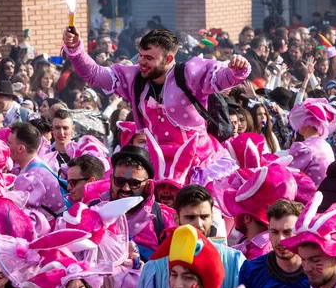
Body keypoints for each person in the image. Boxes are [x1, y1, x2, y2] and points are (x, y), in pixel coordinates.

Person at [63, 28, 250, 186]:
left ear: (168, 59)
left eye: (149, 58)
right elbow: (95, 75)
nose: (142, 62)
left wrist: (237, 69)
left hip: (198, 165)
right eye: (141, 56)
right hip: (155, 163)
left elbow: (222, 78)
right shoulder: (134, 78)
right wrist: (75, 50)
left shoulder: (190, 74)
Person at [136, 185, 245, 288]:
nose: (198, 224)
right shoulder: (155, 267)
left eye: (204, 217)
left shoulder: (234, 261)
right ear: (176, 218)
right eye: (190, 217)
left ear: (212, 217)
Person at [97, 145, 174, 260]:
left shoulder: (165, 219)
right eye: (120, 181)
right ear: (112, 179)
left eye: (134, 183)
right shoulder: (93, 211)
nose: (126, 189)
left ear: (148, 185)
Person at [219, 163, 299, 260]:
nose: (235, 217)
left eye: (236, 212)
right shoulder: (253, 244)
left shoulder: (260, 252)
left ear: (247, 217)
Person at [9, 122, 66, 234]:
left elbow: (24, 214)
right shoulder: (36, 165)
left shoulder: (32, 176)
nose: (6, 146)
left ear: (21, 149)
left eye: (9, 142)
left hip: (50, 232)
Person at [285, 98, 336, 186]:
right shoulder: (326, 146)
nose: (299, 124)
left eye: (302, 119)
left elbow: (288, 178)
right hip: (322, 195)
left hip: (306, 196)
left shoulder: (304, 148)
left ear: (308, 123)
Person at [145, 129, 198, 209]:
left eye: (172, 187)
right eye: (161, 185)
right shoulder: (145, 213)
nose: (166, 191)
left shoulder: (193, 214)